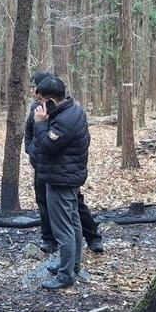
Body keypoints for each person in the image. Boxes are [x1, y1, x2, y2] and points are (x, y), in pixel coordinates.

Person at [25, 71, 104, 255]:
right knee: (43, 202)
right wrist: (31, 152)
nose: (33, 93)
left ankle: (92, 237)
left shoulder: (64, 113)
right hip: (43, 166)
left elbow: (50, 141)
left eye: (35, 89)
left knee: (75, 207)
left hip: (62, 171)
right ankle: (48, 240)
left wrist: (41, 125)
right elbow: (30, 133)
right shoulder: (36, 109)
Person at [29, 75, 91, 290]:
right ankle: (70, 265)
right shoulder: (70, 111)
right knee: (73, 224)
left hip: (61, 180)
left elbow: (47, 144)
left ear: (52, 101)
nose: (39, 106)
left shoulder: (65, 119)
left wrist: (40, 124)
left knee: (64, 229)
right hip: (65, 176)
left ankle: (66, 275)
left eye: (41, 101)